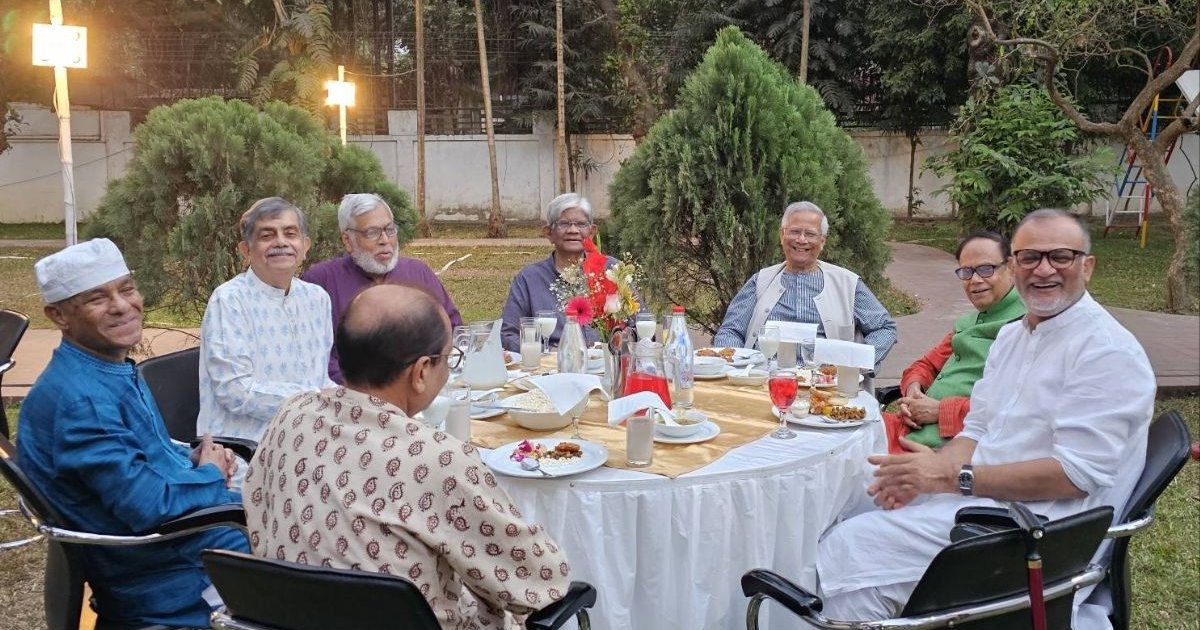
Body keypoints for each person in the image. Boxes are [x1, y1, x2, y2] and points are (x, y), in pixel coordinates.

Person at [814, 209, 1155, 627]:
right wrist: (936, 466)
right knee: (847, 501)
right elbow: (977, 429)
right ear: (1014, 267)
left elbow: (1075, 475)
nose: (1043, 269)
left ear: (1088, 265)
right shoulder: (1013, 336)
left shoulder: (1106, 352)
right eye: (1029, 257)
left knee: (846, 547)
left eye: (1061, 256)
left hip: (1035, 531)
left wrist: (950, 479)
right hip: (978, 498)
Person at [244, 284, 571, 628]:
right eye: (449, 358)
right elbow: (541, 580)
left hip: (290, 616)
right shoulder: (437, 459)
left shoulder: (292, 414)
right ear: (420, 372)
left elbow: (254, 505)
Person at [17, 238, 246, 628]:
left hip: (185, 544)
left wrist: (190, 457)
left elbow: (140, 453)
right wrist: (210, 473)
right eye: (96, 298)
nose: (122, 305)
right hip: (171, 572)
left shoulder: (104, 366)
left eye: (126, 288)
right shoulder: (81, 401)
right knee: (327, 566)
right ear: (58, 316)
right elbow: (148, 506)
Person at [199, 197, 334, 459]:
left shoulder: (317, 298)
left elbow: (319, 378)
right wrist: (316, 399)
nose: (280, 242)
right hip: (244, 449)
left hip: (312, 439)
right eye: (267, 235)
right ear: (246, 250)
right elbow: (235, 392)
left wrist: (347, 399)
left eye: (290, 233)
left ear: (305, 246)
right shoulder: (229, 300)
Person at [882, 231, 1025, 454]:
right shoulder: (968, 322)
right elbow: (925, 365)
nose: (975, 280)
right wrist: (914, 392)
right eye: (966, 272)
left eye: (986, 269)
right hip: (908, 428)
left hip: (952, 448)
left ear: (1012, 268)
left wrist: (940, 411)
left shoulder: (1027, 326)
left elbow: (1017, 411)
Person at [713, 201, 897, 371]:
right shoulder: (761, 281)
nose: (801, 240)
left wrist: (854, 363)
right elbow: (731, 330)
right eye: (794, 232)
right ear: (782, 235)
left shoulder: (847, 284)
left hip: (826, 387)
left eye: (810, 234)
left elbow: (884, 328)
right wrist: (736, 366)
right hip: (765, 383)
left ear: (822, 241)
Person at [304, 193, 463, 383]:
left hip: (425, 388)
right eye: (371, 233)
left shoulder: (417, 272)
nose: (385, 240)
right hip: (353, 397)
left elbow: (454, 330)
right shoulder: (322, 280)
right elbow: (316, 358)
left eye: (389, 229)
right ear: (347, 240)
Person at [500, 192, 615, 352]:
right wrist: (545, 352)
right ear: (549, 233)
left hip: (605, 366)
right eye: (564, 223)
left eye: (581, 224)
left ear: (592, 232)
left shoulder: (611, 270)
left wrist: (621, 340)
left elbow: (638, 325)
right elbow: (507, 335)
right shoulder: (529, 279)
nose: (573, 230)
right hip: (551, 369)